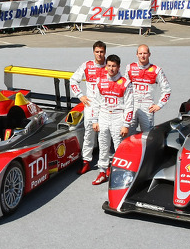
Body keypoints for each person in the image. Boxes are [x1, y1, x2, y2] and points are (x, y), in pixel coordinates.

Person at [90, 54, 134, 185]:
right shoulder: (100, 81)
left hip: (118, 117)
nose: (111, 68)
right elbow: (95, 103)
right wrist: (94, 120)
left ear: (119, 67)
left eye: (114, 66)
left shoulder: (126, 83)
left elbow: (129, 105)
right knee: (103, 145)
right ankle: (102, 172)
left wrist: (126, 124)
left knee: (119, 147)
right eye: (109, 65)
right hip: (103, 116)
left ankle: (120, 173)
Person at [69, 41, 107, 175]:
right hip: (90, 106)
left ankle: (105, 164)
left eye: (102, 52)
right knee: (89, 135)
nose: (99, 54)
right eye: (97, 51)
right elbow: (73, 80)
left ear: (105, 52)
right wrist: (80, 96)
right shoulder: (87, 65)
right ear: (93, 52)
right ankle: (86, 162)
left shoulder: (110, 66)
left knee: (104, 135)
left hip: (106, 106)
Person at [126, 45, 171, 133]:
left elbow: (167, 89)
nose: (143, 56)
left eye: (145, 53)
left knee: (147, 135)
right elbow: (124, 88)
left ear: (149, 54)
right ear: (137, 55)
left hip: (147, 106)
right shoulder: (130, 68)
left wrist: (159, 105)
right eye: (140, 53)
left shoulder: (156, 70)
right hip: (132, 104)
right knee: (128, 133)